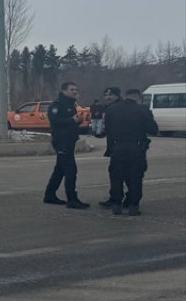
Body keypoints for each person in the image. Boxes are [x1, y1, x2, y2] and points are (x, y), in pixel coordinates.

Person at [100, 87, 158, 216]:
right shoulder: (143, 110)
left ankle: (116, 204)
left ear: (126, 96)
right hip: (136, 147)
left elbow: (107, 129)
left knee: (116, 176)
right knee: (135, 177)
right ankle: (133, 206)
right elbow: (153, 129)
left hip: (117, 147)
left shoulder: (111, 109)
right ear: (138, 97)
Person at [43, 81, 88, 209]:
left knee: (60, 169)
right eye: (72, 89)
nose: (75, 92)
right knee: (70, 170)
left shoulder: (71, 104)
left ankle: (49, 195)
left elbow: (69, 123)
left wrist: (77, 122)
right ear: (64, 91)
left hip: (69, 140)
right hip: (61, 141)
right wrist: (71, 120)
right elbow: (55, 121)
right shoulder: (57, 105)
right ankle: (72, 199)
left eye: (76, 89)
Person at [97, 87, 123, 209]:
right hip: (115, 145)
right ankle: (118, 198)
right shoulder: (108, 108)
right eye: (106, 94)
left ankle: (117, 199)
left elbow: (111, 128)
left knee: (118, 173)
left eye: (110, 95)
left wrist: (102, 132)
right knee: (116, 173)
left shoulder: (118, 108)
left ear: (117, 95)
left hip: (119, 145)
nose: (107, 97)